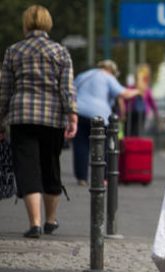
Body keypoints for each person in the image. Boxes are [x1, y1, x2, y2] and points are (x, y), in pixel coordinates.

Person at [0, 5, 78, 238]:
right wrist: (72, 114)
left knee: (27, 169)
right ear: (48, 24)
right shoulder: (60, 52)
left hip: (21, 116)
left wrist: (1, 119)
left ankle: (34, 223)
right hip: (52, 117)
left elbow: (4, 89)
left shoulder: (13, 51)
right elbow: (67, 88)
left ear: (25, 25)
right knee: (50, 165)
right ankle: (51, 220)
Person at [72, 60, 139, 186]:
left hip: (79, 112)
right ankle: (103, 178)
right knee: (104, 146)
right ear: (112, 71)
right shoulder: (108, 77)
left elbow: (71, 91)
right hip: (100, 115)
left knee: (81, 145)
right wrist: (138, 91)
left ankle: (82, 177)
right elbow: (124, 93)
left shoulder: (83, 75)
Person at [120, 64, 158, 136]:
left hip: (131, 112)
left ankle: (131, 145)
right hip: (138, 112)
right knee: (138, 132)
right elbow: (152, 102)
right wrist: (155, 112)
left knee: (130, 131)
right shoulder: (145, 90)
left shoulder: (131, 88)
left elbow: (124, 99)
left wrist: (122, 112)